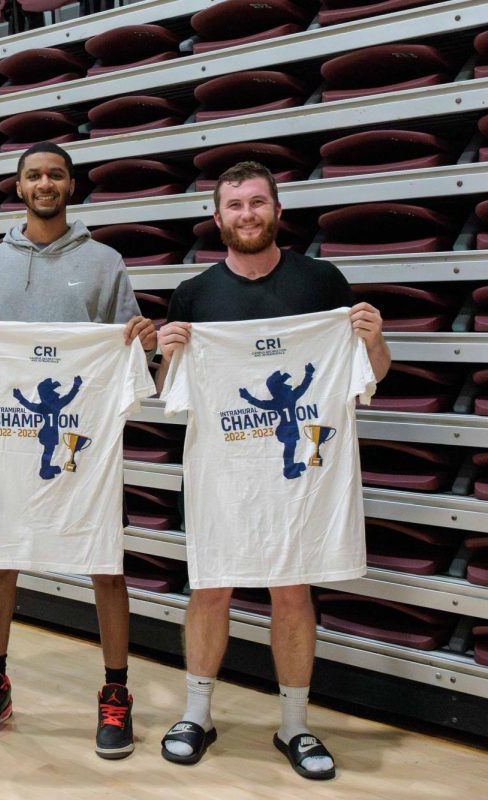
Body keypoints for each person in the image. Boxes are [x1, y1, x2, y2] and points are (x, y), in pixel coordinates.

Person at [155, 160, 390, 778]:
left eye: (258, 203)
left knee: (292, 590)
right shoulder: (196, 294)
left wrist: (371, 340)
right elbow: (168, 391)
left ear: (277, 211)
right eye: (235, 205)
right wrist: (167, 354)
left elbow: (372, 377)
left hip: (300, 478)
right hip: (222, 474)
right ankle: (197, 713)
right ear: (217, 217)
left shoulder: (322, 283)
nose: (247, 215)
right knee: (210, 586)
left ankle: (295, 725)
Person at [0, 142, 157, 754]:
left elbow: (129, 344)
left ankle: (116, 692)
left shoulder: (104, 260)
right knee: (0, 555)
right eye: (34, 175)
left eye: (55, 175)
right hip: (8, 436)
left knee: (104, 559)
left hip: (81, 438)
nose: (45, 183)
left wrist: (139, 335)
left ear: (70, 184)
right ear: (18, 187)